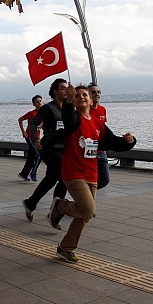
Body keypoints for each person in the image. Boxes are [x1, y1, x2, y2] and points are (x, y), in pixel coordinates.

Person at [47, 84, 136, 263]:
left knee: (85, 214)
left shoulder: (97, 122)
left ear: (91, 99)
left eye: (85, 95)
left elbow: (112, 142)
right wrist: (69, 101)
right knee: (88, 209)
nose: (82, 97)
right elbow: (68, 119)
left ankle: (65, 248)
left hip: (91, 173)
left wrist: (129, 142)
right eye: (78, 95)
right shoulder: (74, 120)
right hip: (73, 172)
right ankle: (59, 207)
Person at [22, 78, 68, 225]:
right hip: (50, 148)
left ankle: (31, 203)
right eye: (62, 88)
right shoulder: (47, 108)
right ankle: (56, 211)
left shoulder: (69, 108)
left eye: (67, 88)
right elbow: (34, 123)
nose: (65, 91)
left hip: (65, 149)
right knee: (63, 176)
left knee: (51, 178)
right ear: (55, 91)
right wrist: (35, 139)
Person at [88, 83, 110, 190]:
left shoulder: (102, 109)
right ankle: (85, 202)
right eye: (93, 92)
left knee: (104, 179)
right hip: (88, 150)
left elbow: (103, 128)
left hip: (101, 150)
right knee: (89, 179)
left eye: (98, 92)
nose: (96, 94)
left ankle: (85, 198)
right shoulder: (85, 110)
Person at [17, 95, 43, 182]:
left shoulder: (43, 114)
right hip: (30, 137)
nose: (39, 103)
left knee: (32, 156)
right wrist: (23, 132)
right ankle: (33, 173)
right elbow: (20, 119)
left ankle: (24, 173)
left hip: (37, 138)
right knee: (39, 155)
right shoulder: (32, 113)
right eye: (37, 102)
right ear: (34, 104)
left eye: (40, 101)